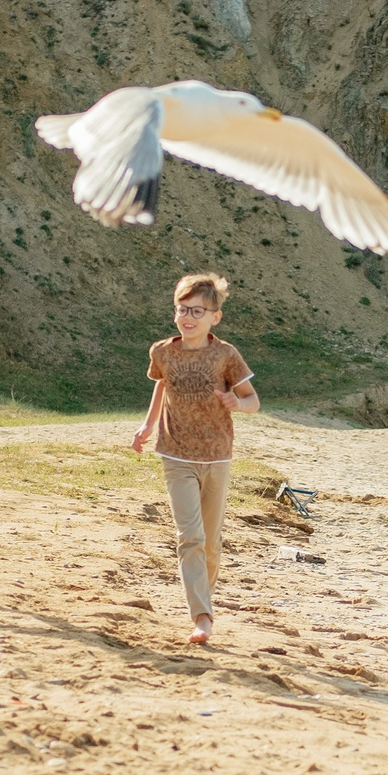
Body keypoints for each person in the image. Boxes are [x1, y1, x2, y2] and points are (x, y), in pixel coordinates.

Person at [131, 273, 260, 644]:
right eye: (182, 309)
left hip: (218, 457)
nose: (188, 317)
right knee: (190, 536)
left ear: (214, 317)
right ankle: (201, 616)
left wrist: (239, 403)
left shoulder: (226, 355)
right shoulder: (162, 352)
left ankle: (205, 597)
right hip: (175, 454)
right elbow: (161, 385)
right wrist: (147, 426)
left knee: (211, 543)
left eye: (197, 311)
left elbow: (253, 400)